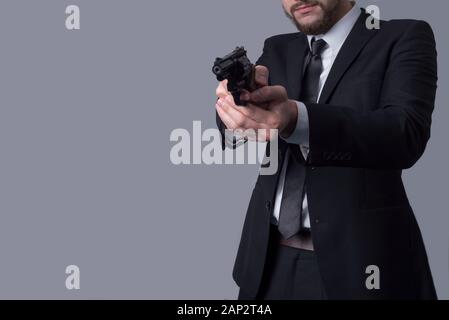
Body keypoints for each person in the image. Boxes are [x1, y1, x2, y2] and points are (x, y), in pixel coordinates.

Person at [215, 0, 438, 299]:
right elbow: (243, 123)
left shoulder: (404, 36)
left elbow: (404, 133)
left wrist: (298, 119)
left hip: (360, 267)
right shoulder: (277, 49)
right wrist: (233, 109)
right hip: (265, 264)